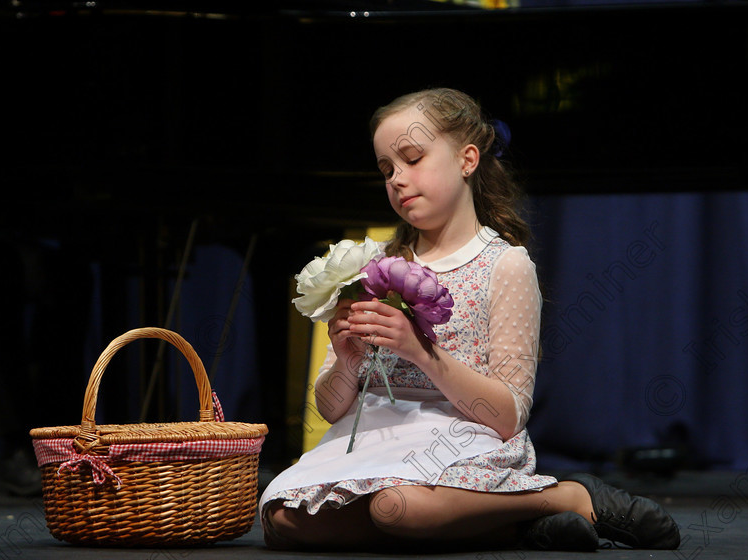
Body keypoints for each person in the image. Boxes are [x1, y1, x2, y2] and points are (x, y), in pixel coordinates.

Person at [260, 88, 680, 552]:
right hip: (373, 440)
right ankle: (516, 524)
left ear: (468, 159)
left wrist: (420, 351)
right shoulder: (372, 266)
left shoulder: (505, 264)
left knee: (394, 508)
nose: (398, 178)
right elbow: (332, 408)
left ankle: (568, 495)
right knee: (285, 520)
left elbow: (506, 416)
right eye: (387, 169)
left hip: (457, 438)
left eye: (413, 158)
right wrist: (345, 360)